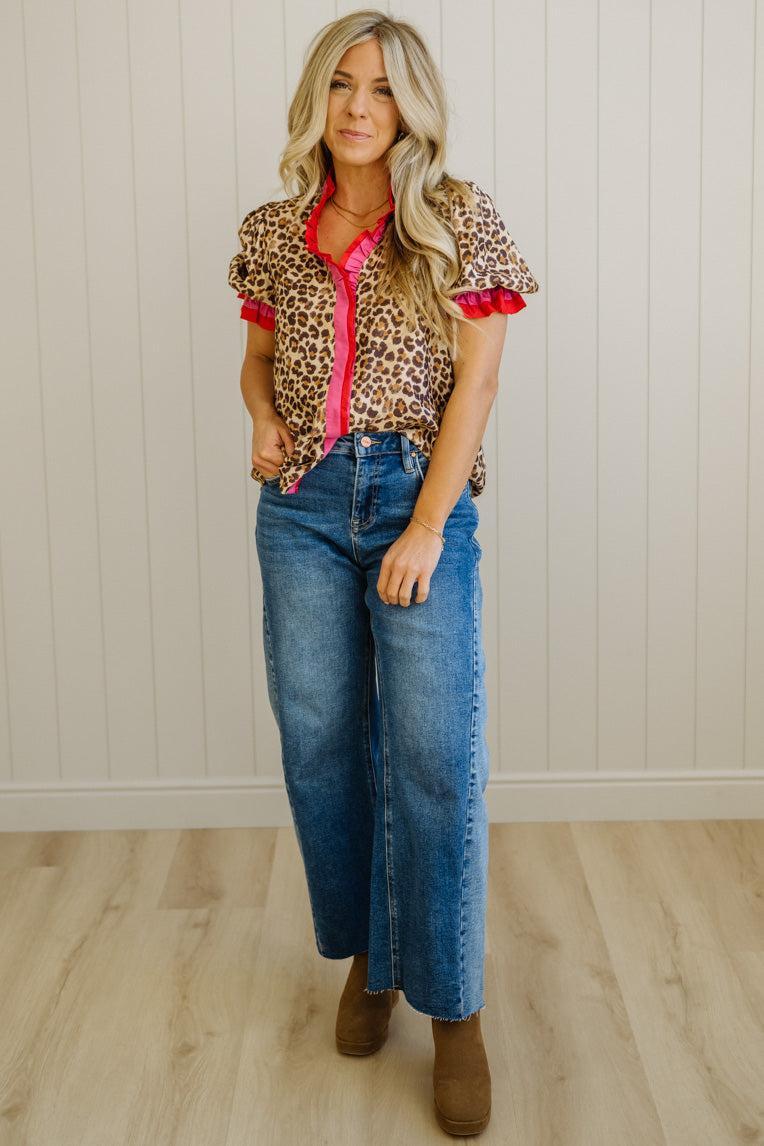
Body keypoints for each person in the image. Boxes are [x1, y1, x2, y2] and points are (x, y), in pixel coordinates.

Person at [228, 9, 539, 1137]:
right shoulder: (274, 227)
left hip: (417, 500)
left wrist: (424, 528)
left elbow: (476, 391)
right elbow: (258, 362)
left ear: (414, 106)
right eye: (344, 84)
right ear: (318, 96)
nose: (361, 106)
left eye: (384, 88)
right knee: (319, 743)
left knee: (433, 759)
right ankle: (367, 963)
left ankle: (451, 1011)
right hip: (298, 510)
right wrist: (262, 421)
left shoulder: (456, 219)